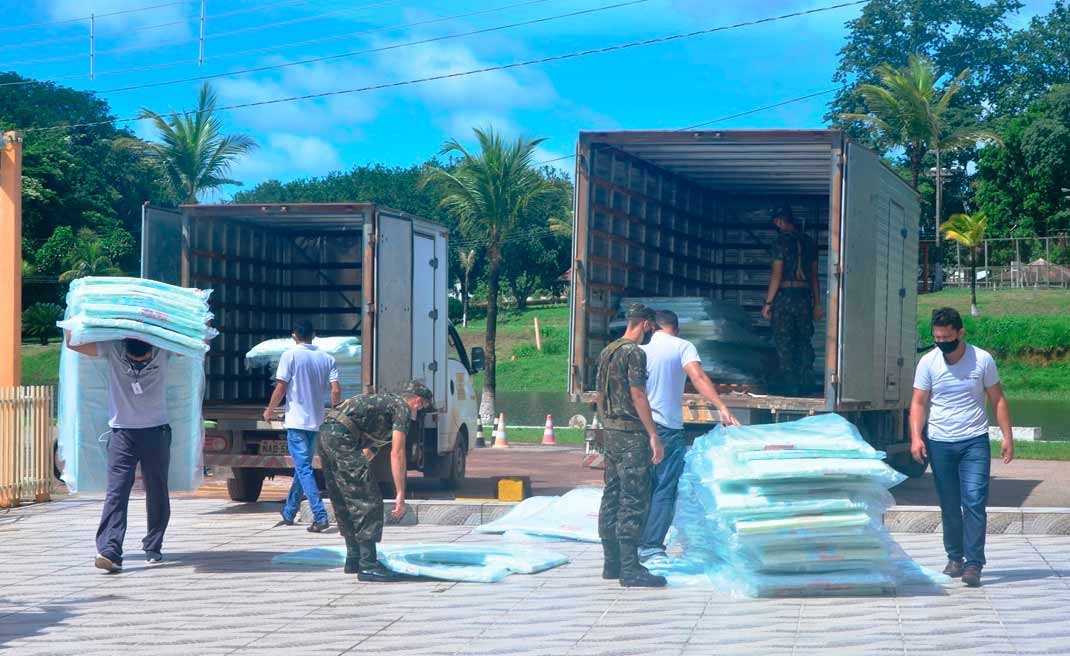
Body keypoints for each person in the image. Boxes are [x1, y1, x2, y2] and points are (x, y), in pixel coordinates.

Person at [910, 307, 1014, 588]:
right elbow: (919, 403)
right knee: (949, 504)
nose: (942, 342)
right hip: (940, 442)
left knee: (974, 500)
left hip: (974, 441)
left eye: (947, 337)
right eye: (937, 337)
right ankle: (955, 557)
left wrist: (1007, 436)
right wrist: (916, 437)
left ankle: (974, 564)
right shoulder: (928, 363)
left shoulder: (982, 360)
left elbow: (998, 400)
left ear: (960, 333)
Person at [64, 332, 173, 573]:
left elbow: (199, 344)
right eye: (134, 358)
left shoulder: (164, 347)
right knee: (116, 491)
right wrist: (73, 312)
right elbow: (73, 343)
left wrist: (204, 317)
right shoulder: (113, 349)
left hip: (156, 431)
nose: (140, 362)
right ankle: (109, 551)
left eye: (144, 358)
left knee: (157, 489)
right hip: (122, 434)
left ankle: (153, 545)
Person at [638, 309, 741, 562]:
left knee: (639, 487)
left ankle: (631, 543)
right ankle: (650, 546)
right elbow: (697, 376)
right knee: (664, 488)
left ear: (652, 327)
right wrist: (722, 406)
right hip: (667, 429)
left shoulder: (639, 350)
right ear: (676, 328)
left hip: (639, 427)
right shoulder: (683, 347)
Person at [318, 380, 433, 582]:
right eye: (423, 406)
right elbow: (397, 454)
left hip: (327, 434)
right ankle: (368, 565)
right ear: (417, 401)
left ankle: (353, 558)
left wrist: (359, 473)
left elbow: (371, 449)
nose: (420, 411)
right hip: (341, 438)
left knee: (345, 498)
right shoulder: (402, 409)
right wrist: (400, 494)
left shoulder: (385, 407)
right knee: (368, 501)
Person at [594, 303, 666, 588]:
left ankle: (611, 564)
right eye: (653, 329)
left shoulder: (607, 351)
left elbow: (599, 395)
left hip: (611, 432)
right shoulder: (635, 353)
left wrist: (604, 424)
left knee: (611, 495)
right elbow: (638, 395)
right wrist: (652, 434)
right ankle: (630, 569)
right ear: (647, 324)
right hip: (632, 436)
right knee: (634, 499)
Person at [263, 320, 341, 532]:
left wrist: (270, 409)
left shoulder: (291, 355)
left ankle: (320, 514)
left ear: (294, 336)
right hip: (316, 422)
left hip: (297, 422)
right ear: (313, 335)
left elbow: (281, 387)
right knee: (303, 467)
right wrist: (335, 411)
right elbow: (335, 390)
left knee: (304, 468)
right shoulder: (327, 358)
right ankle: (289, 511)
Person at [761, 206, 823, 396]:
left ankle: (791, 386)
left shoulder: (780, 242)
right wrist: (817, 304)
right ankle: (806, 383)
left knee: (784, 342)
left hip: (785, 297)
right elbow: (814, 276)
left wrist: (768, 303)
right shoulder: (810, 242)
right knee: (804, 340)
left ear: (779, 221)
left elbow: (777, 274)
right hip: (804, 297)